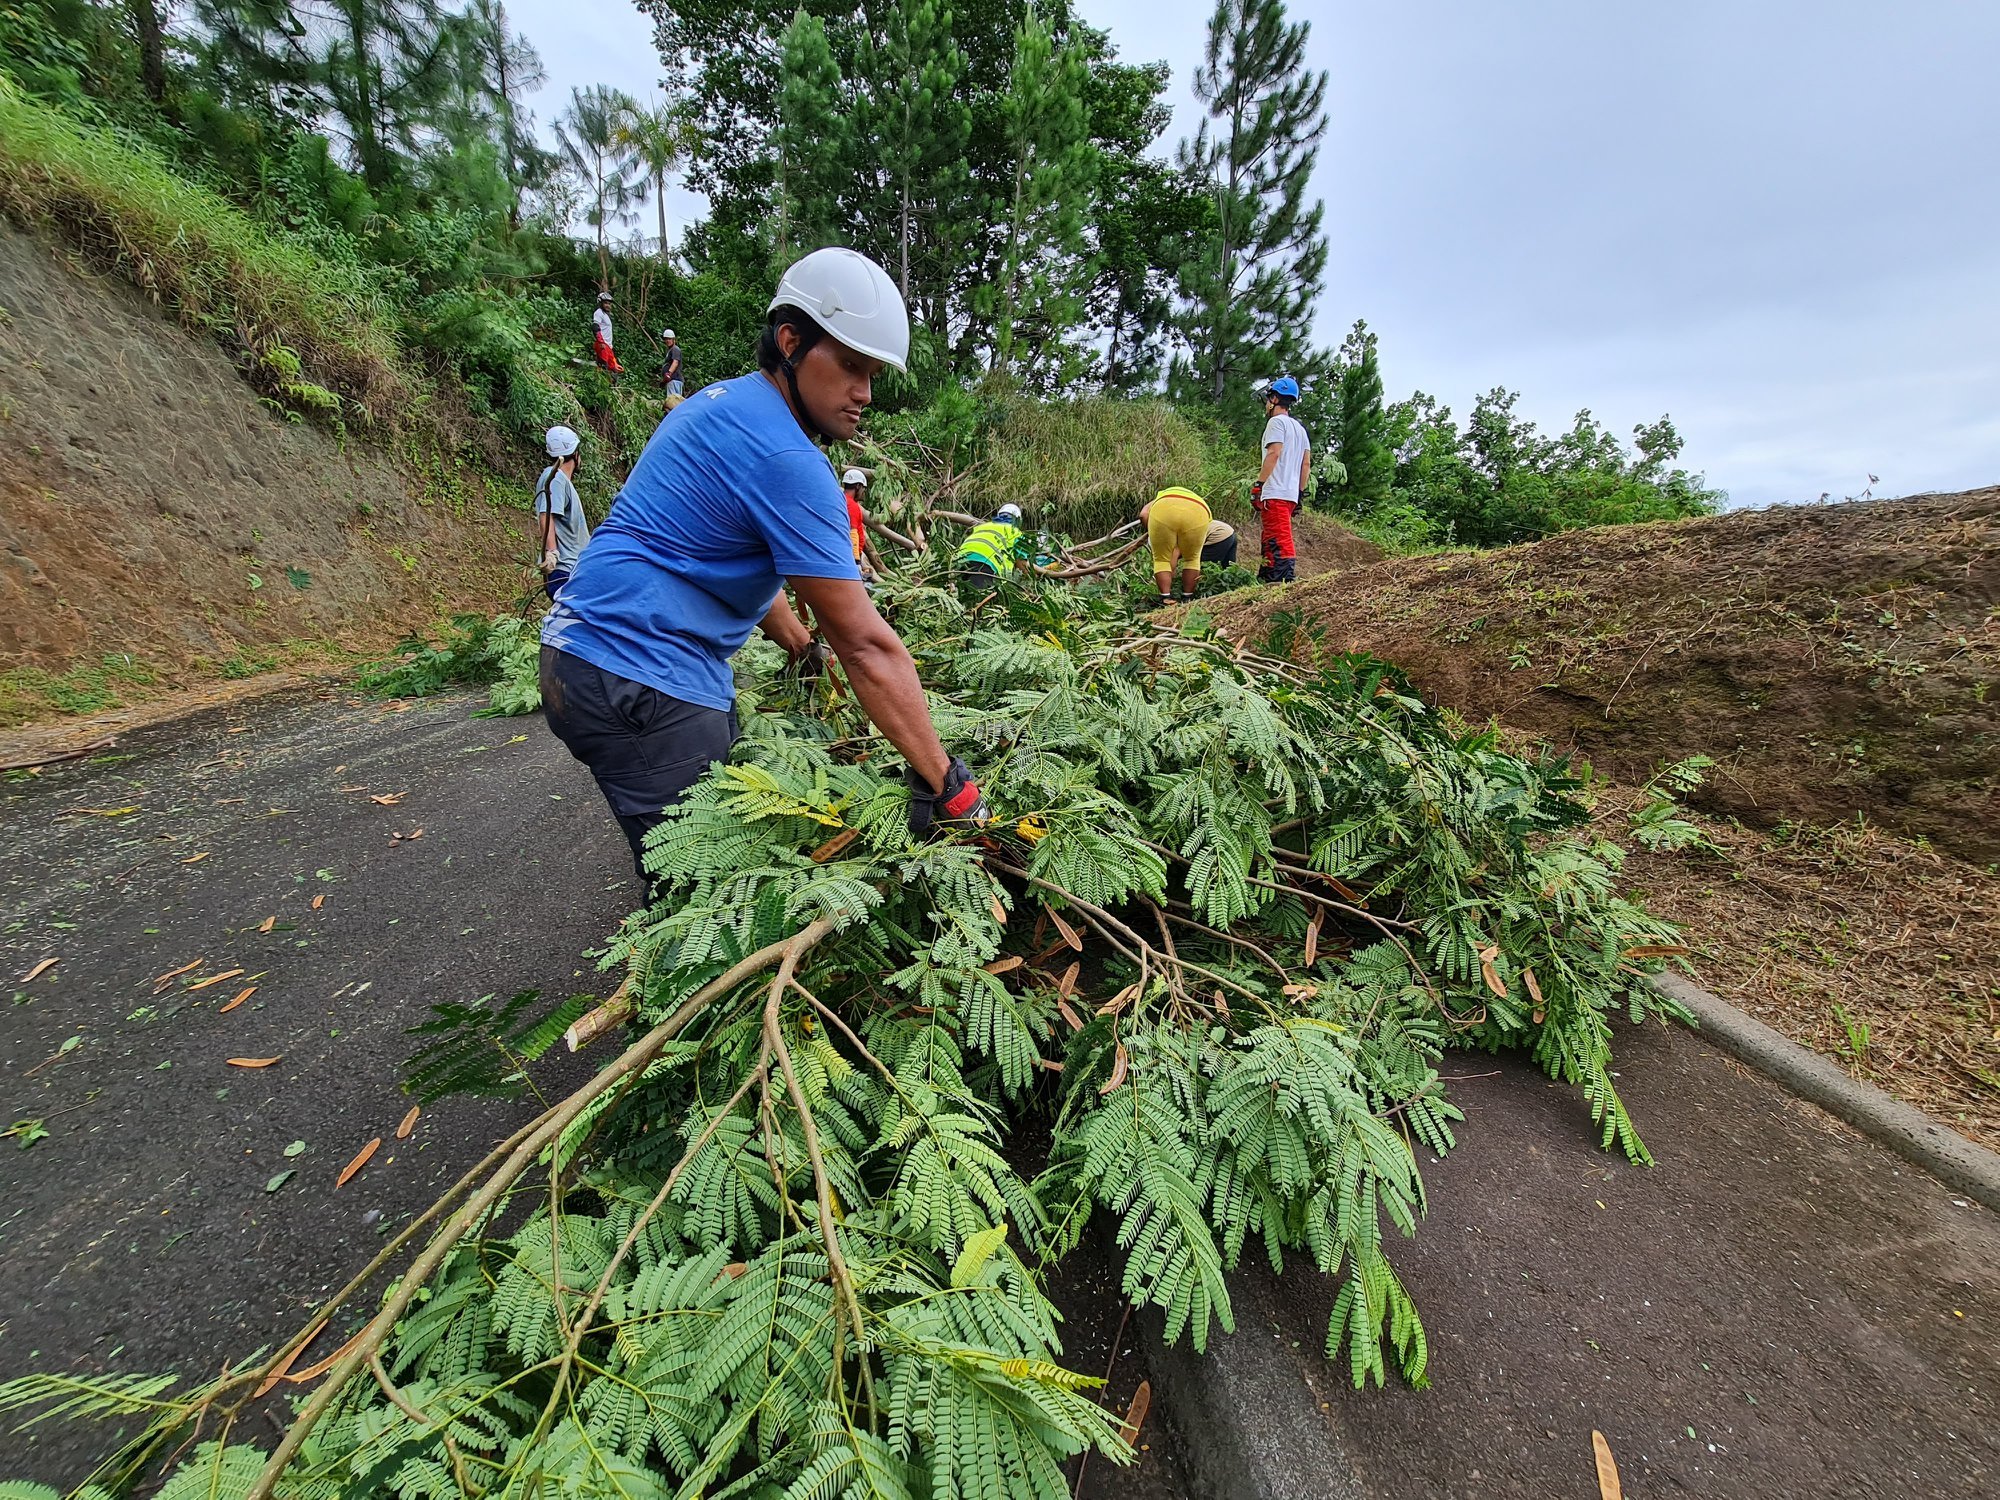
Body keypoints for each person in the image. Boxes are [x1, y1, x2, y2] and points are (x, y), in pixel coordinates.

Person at [539, 247, 989, 881]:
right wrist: (946, 780)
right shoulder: (788, 461)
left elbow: (731, 557)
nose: (863, 394)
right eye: (851, 367)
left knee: (715, 775)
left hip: (582, 657)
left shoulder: (716, 405)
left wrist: (800, 644)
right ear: (791, 342)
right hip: (638, 672)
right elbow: (866, 646)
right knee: (712, 887)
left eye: (874, 376)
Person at [1252, 375, 1311, 582]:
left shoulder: (1276, 423)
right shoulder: (1300, 429)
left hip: (1275, 490)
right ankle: (1267, 577)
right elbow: (1306, 465)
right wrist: (1300, 493)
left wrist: (1259, 485)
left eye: (1269, 399)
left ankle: (1282, 578)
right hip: (1290, 493)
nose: (1267, 403)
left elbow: (1274, 453)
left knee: (1279, 537)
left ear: (1275, 399)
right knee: (1270, 535)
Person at [534, 425, 590, 600]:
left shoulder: (559, 480)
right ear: (575, 454)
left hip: (572, 570)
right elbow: (546, 515)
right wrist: (552, 552)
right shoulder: (556, 479)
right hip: (565, 571)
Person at [1139, 486, 1211, 606]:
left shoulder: (1160, 497)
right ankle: (1188, 598)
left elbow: (1143, 515)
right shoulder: (1193, 496)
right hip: (1199, 510)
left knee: (1161, 559)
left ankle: (1166, 598)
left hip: (1165, 511)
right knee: (1192, 558)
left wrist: (1153, 532)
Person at [953, 504, 1025, 601]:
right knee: (978, 602)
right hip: (985, 563)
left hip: (959, 559)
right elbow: (1022, 565)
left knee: (959, 600)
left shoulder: (983, 526)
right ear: (1018, 520)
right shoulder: (1016, 533)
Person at [841, 467, 884, 580]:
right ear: (858, 486)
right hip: (849, 559)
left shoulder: (839, 500)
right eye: (863, 489)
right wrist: (856, 562)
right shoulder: (852, 506)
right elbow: (853, 534)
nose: (863, 492)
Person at [591, 291, 622, 374]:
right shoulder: (599, 313)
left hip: (608, 346)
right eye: (605, 303)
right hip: (603, 345)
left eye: (609, 303)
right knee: (604, 368)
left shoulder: (606, 315)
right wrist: (601, 341)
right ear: (600, 303)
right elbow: (595, 327)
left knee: (613, 369)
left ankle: (610, 385)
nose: (608, 305)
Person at [660, 328, 683, 396]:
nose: (668, 341)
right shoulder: (670, 350)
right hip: (671, 380)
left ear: (673, 340)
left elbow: (675, 362)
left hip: (674, 380)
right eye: (666, 339)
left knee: (672, 402)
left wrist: (669, 374)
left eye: (669, 339)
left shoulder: (675, 349)